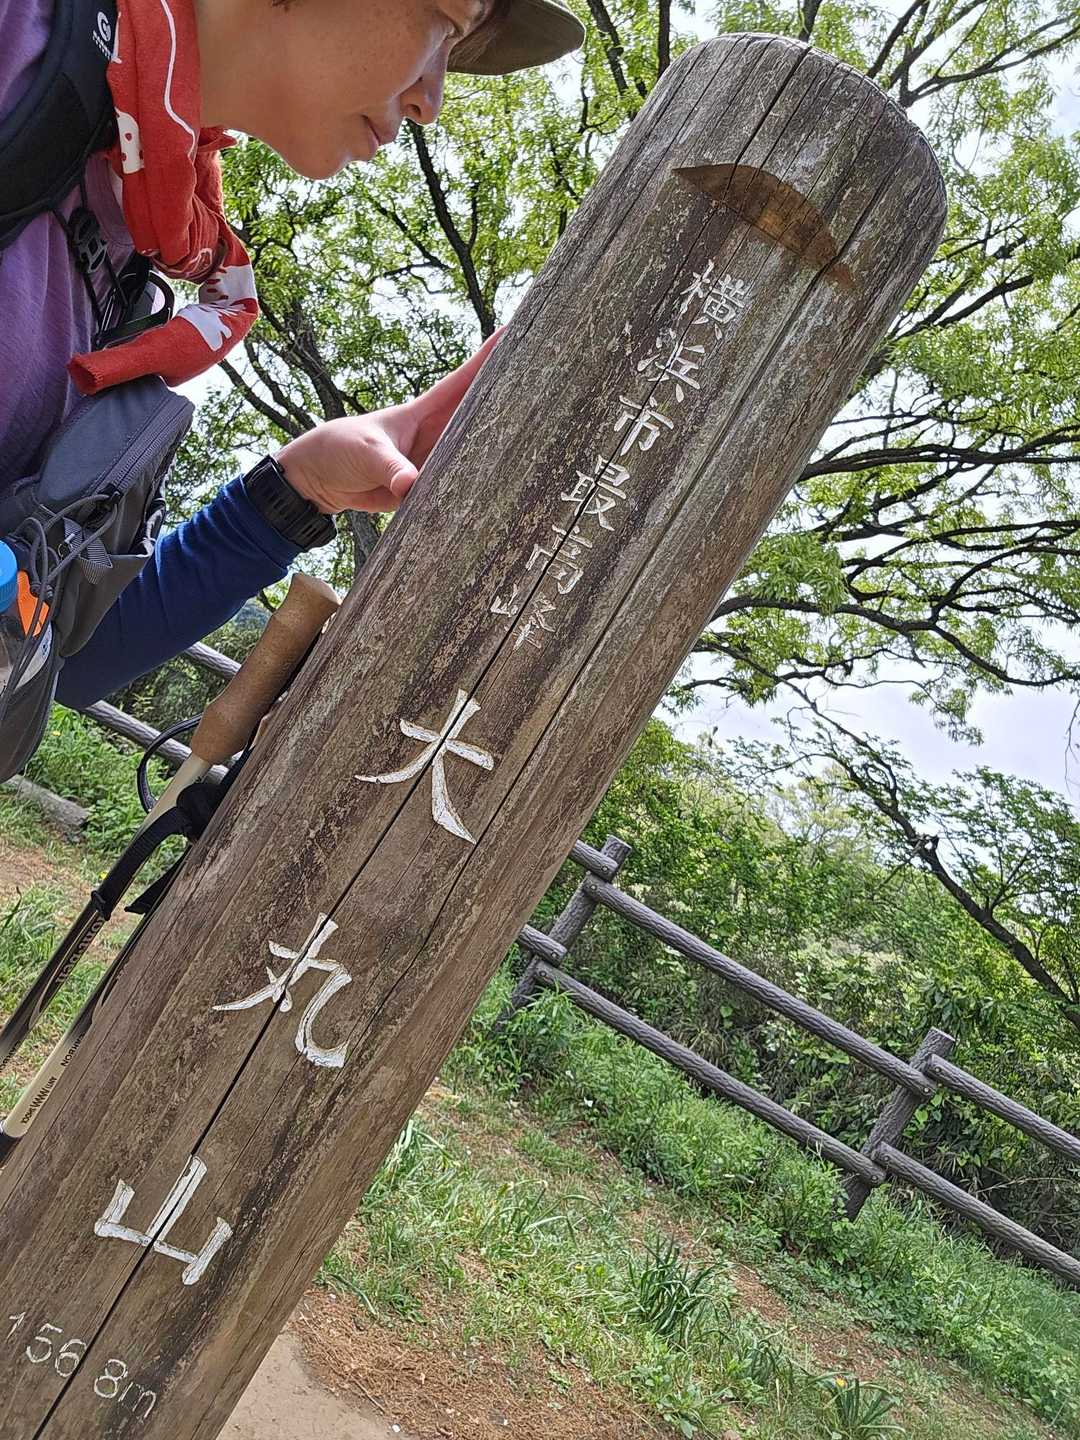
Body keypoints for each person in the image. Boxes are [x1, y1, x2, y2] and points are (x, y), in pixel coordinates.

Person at [0, 0, 584, 718]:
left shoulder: (132, 232)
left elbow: (50, 657)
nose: (430, 101)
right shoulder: (19, 42)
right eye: (449, 20)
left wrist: (300, 489)